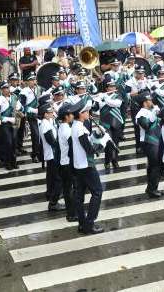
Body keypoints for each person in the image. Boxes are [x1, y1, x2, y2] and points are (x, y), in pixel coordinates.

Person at [71, 99, 104, 234]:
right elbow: (89, 149)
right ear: (81, 113)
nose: (88, 113)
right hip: (86, 165)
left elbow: (88, 141)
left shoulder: (76, 126)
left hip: (79, 165)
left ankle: (82, 223)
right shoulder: (80, 128)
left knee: (79, 195)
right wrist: (102, 144)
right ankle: (89, 223)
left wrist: (97, 134)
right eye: (86, 111)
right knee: (97, 192)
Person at [136, 93, 163, 198]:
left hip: (156, 140)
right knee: (156, 165)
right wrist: (153, 114)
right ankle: (152, 189)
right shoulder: (141, 114)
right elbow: (146, 126)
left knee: (153, 166)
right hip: (148, 141)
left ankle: (151, 188)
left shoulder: (151, 111)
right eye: (149, 100)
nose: (152, 102)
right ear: (145, 103)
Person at [39, 102, 64, 212]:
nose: (52, 113)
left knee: (51, 176)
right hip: (52, 153)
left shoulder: (49, 121)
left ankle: (50, 194)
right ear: (45, 114)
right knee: (57, 178)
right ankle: (53, 202)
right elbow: (51, 140)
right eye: (50, 112)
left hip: (52, 154)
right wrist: (60, 147)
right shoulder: (45, 124)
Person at [56, 102, 78, 222]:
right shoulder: (66, 130)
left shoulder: (64, 127)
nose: (73, 115)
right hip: (68, 163)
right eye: (71, 114)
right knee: (71, 189)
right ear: (66, 116)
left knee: (67, 188)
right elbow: (73, 147)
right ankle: (72, 214)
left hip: (64, 162)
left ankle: (71, 213)